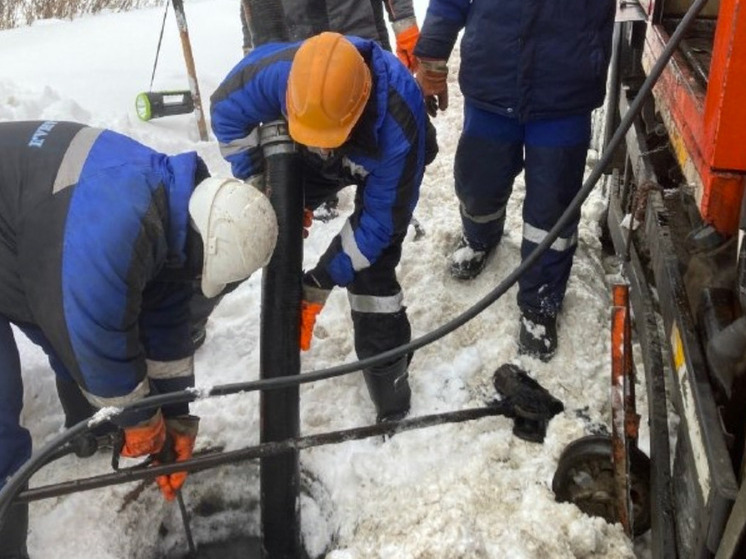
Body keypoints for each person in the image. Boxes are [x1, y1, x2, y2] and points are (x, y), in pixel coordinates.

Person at [0, 120, 278, 559]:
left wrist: (176, 415)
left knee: (83, 342)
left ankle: (92, 432)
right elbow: (91, 334)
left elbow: (165, 325)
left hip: (25, 233)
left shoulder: (175, 212)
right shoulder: (115, 229)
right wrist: (140, 420)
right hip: (32, 229)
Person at [211, 32, 428, 423]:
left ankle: (390, 392)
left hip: (377, 159)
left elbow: (377, 226)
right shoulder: (276, 74)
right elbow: (226, 110)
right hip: (308, 147)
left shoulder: (400, 129)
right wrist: (260, 179)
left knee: (372, 271)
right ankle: (184, 327)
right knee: (253, 222)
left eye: (327, 142)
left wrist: (323, 278)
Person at [414, 0, 615, 361]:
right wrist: (431, 60)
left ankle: (540, 301)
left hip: (565, 90)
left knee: (553, 204)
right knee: (478, 183)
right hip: (493, 80)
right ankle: (479, 236)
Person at [238, 0, 420, 71]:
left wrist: (406, 30)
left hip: (363, 47)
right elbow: (254, 7)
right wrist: (252, 59)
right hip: (297, 58)